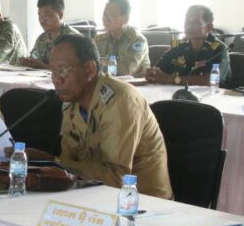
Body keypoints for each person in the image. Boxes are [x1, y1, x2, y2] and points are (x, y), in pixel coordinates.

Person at [23, 34, 171, 199]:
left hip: (143, 202)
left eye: (62, 70)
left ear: (89, 70)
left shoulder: (120, 100)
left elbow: (116, 178)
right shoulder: (72, 103)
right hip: (93, 195)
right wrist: (42, 165)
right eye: (53, 71)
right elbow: (69, 164)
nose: (56, 80)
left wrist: (54, 162)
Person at [146, 5, 230, 85]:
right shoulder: (178, 46)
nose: (189, 26)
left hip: (215, 94)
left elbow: (210, 81)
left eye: (195, 22)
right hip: (176, 93)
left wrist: (172, 79)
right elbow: (158, 71)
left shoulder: (219, 49)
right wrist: (152, 74)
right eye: (187, 22)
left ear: (209, 27)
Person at [18, 0, 79, 69]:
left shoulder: (73, 39)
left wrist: (42, 66)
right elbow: (34, 57)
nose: (42, 21)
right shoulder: (42, 38)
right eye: (40, 15)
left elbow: (72, 70)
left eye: (47, 15)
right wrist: (28, 62)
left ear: (60, 15)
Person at [93, 0, 149, 77]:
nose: (105, 19)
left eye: (110, 16)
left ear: (126, 19)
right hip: (106, 83)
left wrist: (102, 61)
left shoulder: (138, 41)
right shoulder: (100, 40)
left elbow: (125, 71)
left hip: (131, 84)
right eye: (104, 15)